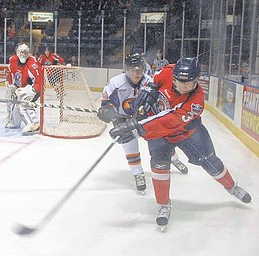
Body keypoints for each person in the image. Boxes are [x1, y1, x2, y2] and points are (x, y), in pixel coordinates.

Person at [109, 57, 252, 228]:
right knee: (159, 167)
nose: (184, 86)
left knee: (210, 162)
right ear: (174, 76)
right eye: (180, 82)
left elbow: (169, 121)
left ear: (196, 81)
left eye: (189, 83)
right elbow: (154, 79)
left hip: (188, 134)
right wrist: (150, 89)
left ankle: (232, 186)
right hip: (160, 135)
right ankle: (163, 205)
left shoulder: (196, 102)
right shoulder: (168, 71)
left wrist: (136, 128)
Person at [97, 53, 188, 193]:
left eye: (139, 69)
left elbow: (160, 99)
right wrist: (106, 110)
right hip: (124, 119)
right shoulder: (116, 82)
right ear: (126, 70)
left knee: (161, 141)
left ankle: (174, 159)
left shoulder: (150, 82)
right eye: (133, 69)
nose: (136, 73)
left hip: (146, 117)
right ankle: (138, 173)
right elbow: (107, 101)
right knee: (129, 144)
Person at [5, 43, 44, 135]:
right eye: (21, 52)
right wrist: (11, 85)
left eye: (25, 52)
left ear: (29, 53)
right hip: (21, 87)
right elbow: (11, 74)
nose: (23, 54)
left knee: (24, 104)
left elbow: (39, 81)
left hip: (34, 88)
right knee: (13, 104)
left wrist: (32, 92)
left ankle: (35, 124)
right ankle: (15, 121)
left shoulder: (32, 64)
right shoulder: (12, 61)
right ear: (17, 52)